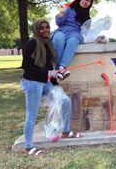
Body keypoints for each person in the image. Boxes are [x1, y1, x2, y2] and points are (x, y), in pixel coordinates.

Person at [21, 19, 82, 156]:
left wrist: (56, 85)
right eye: (41, 28)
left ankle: (65, 131)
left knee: (65, 101)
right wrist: (46, 73)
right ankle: (28, 146)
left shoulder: (48, 44)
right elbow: (26, 66)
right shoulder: (32, 43)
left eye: (47, 27)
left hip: (45, 82)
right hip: (32, 82)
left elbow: (49, 67)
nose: (45, 30)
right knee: (32, 115)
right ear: (37, 30)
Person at [51, 0, 93, 80]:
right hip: (63, 29)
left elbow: (86, 32)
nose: (86, 2)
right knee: (58, 39)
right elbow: (59, 23)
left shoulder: (87, 17)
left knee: (72, 41)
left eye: (89, 2)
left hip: (75, 32)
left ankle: (62, 66)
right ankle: (59, 70)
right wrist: (62, 12)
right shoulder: (69, 8)